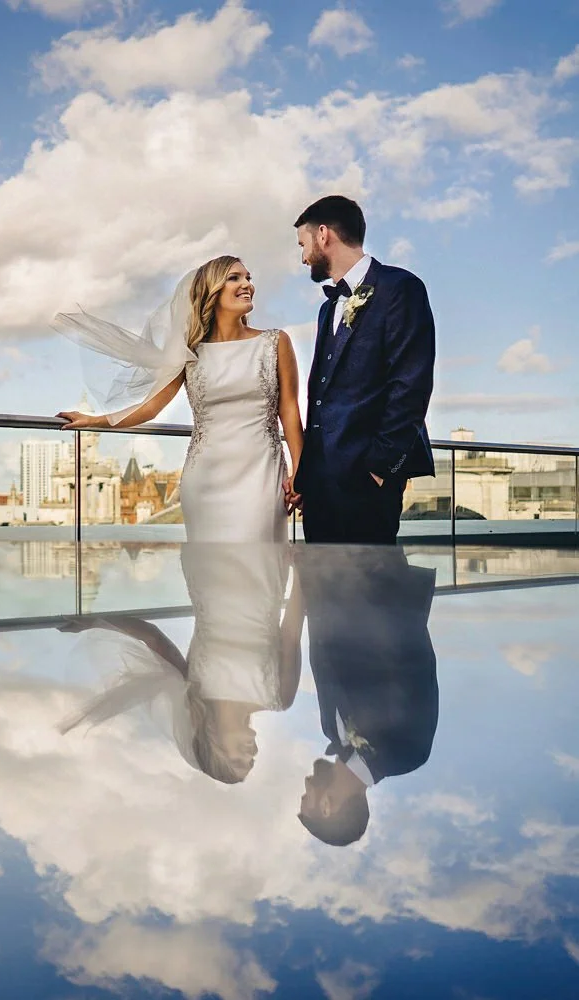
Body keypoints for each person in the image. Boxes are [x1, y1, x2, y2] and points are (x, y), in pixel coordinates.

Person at [55, 257, 303, 542]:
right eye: (234, 278)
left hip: (262, 472)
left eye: (248, 277)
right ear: (212, 290)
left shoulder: (275, 342)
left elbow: (289, 411)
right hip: (205, 479)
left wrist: (300, 470)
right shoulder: (190, 351)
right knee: (211, 573)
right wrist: (94, 421)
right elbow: (151, 407)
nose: (247, 284)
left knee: (261, 565)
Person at [59, 544, 303, 784]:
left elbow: (152, 637)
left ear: (214, 746)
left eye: (239, 760)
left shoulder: (191, 689)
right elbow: (290, 636)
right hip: (265, 569)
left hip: (209, 565)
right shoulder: (280, 697)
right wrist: (302, 571)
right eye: (251, 762)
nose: (251, 755)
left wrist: (95, 622)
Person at [293, 195, 436, 544]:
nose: (302, 257)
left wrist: (380, 469)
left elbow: (411, 385)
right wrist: (307, 478)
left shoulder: (401, 288)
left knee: (370, 591)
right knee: (320, 590)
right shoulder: (327, 309)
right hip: (320, 486)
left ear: (323, 234)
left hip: (368, 481)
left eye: (303, 244)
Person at [296, 545, 438, 846]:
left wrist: (312, 572)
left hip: (326, 567)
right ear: (327, 807)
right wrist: (363, 570)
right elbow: (414, 659)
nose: (306, 785)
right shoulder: (406, 754)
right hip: (372, 565)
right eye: (306, 799)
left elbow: (324, 645)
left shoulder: (330, 731)